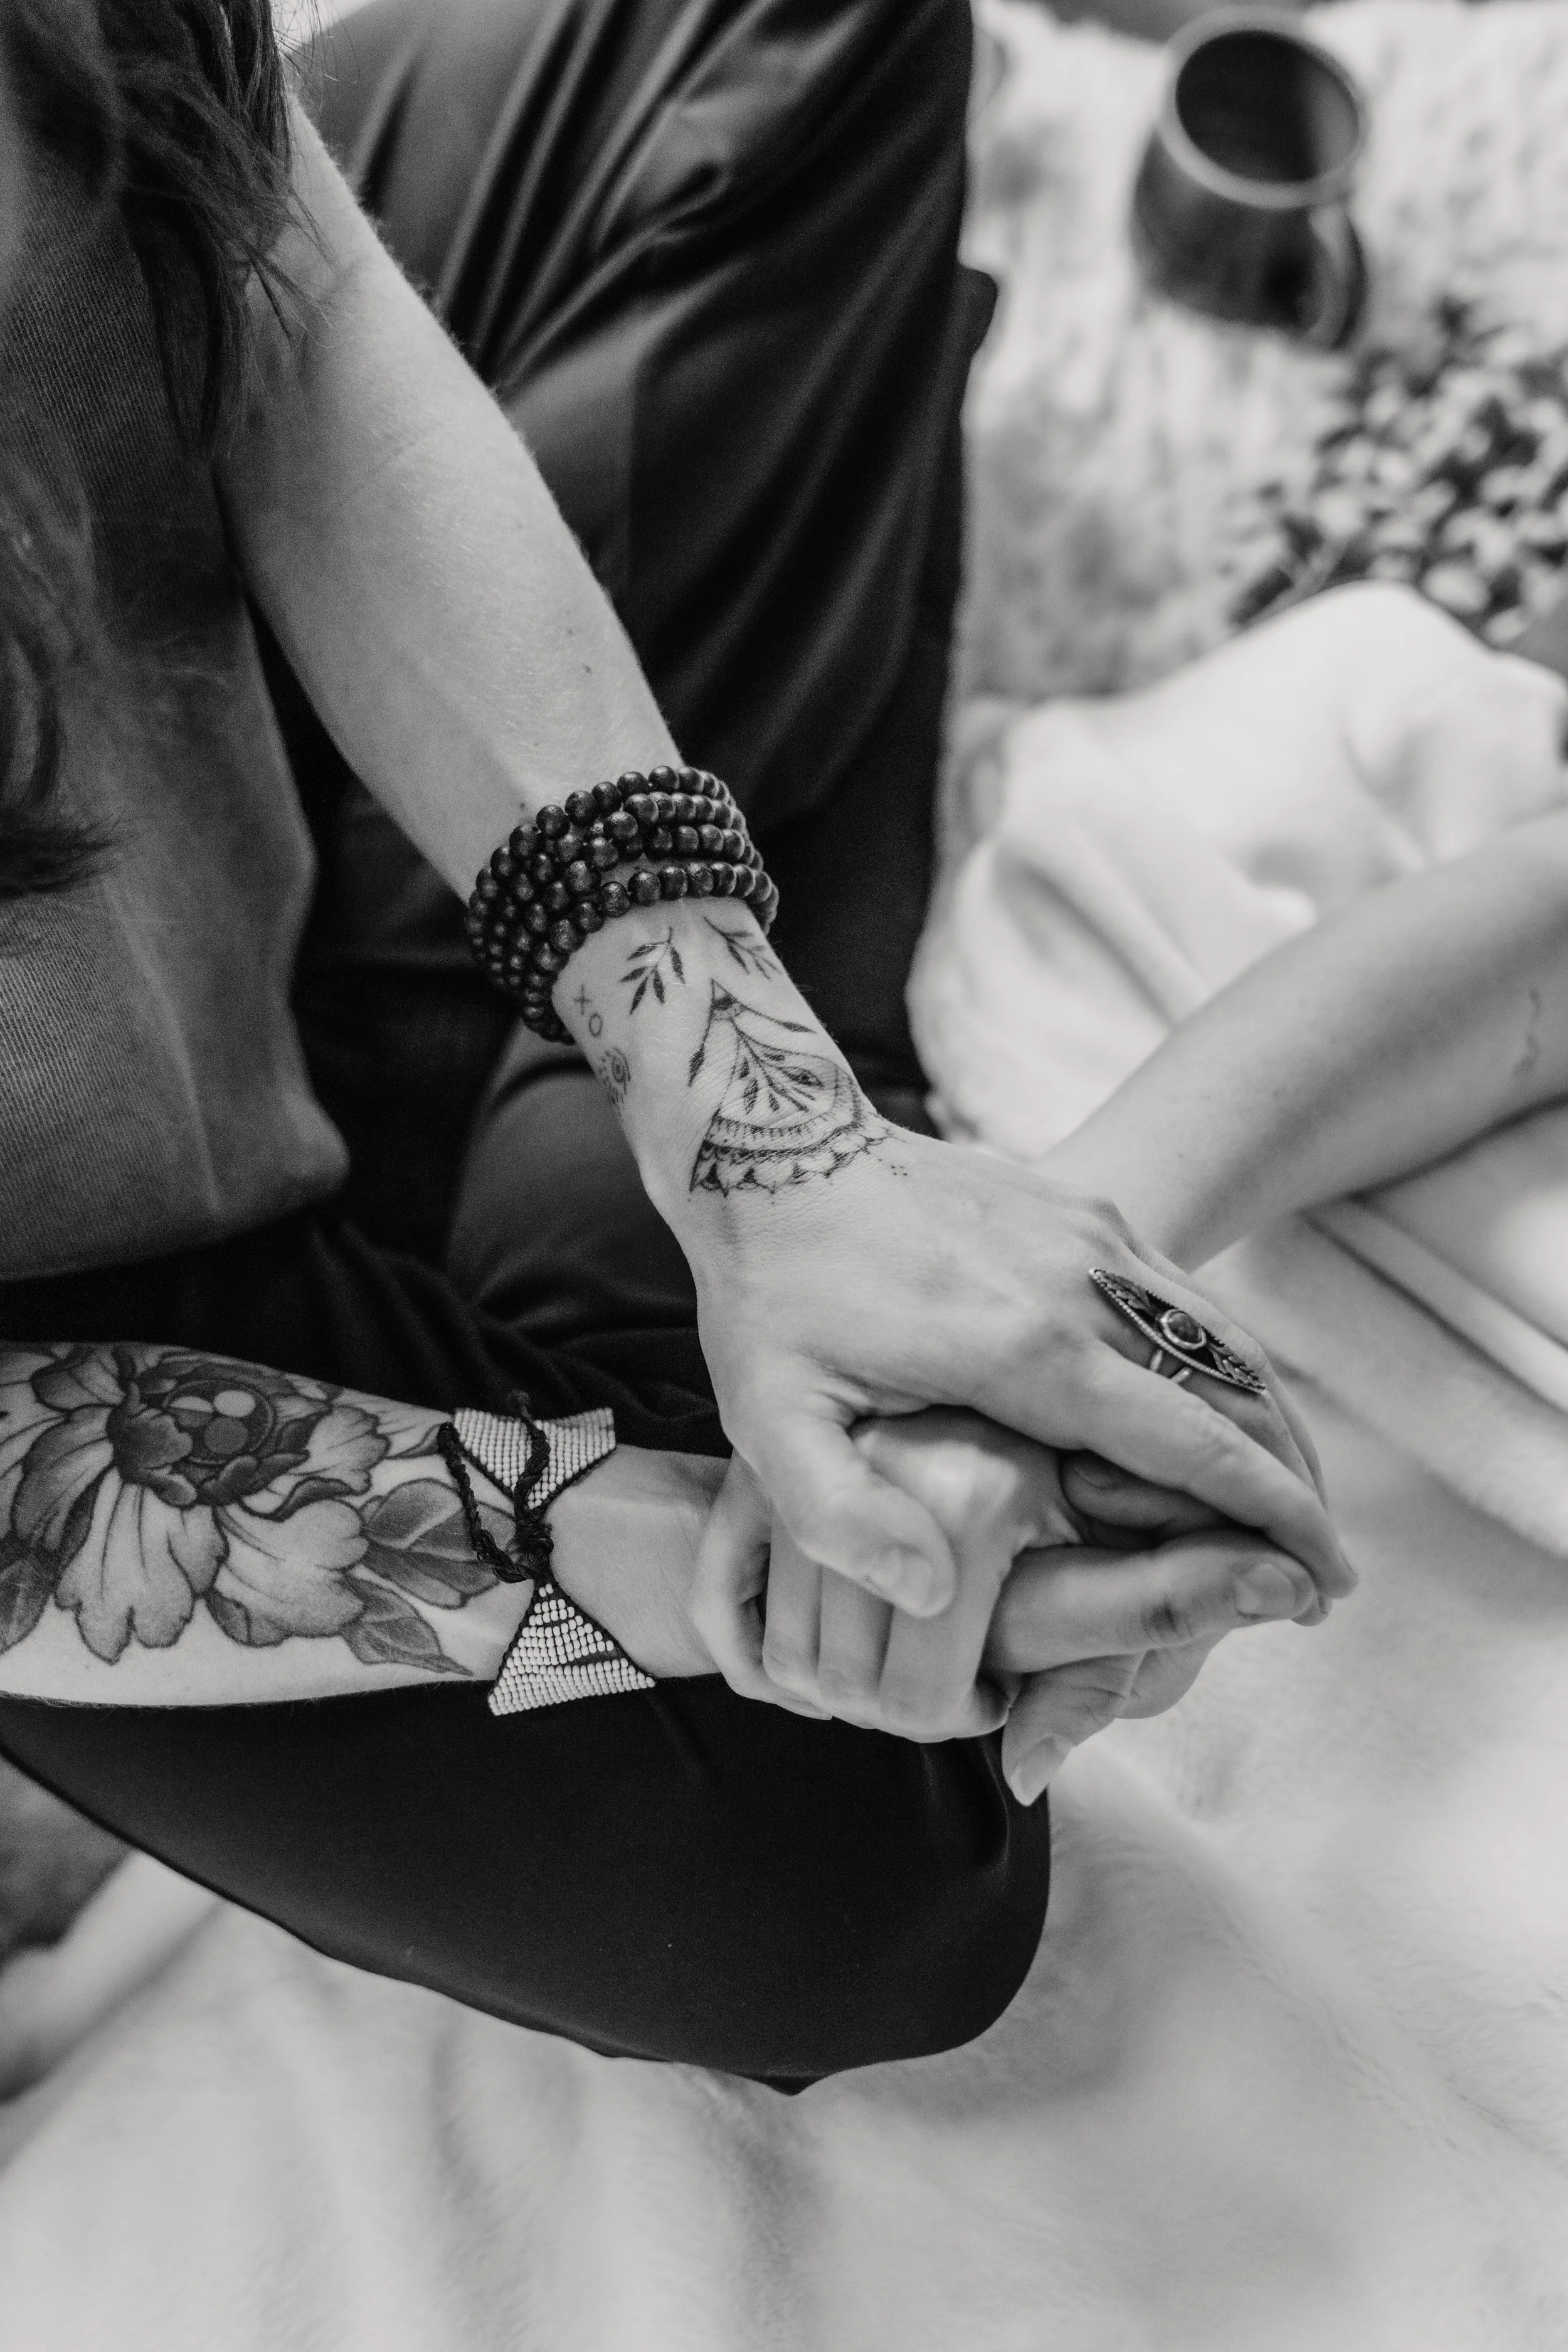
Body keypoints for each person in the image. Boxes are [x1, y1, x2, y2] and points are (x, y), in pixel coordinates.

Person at [0, 0, 1347, 2083]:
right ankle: (508, 1085)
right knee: (858, 1840)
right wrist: (615, 1531)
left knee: (787, 30)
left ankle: (526, 1045)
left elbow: (260, 226)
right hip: (82, 1320)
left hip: (208, 591)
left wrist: (764, 1136)